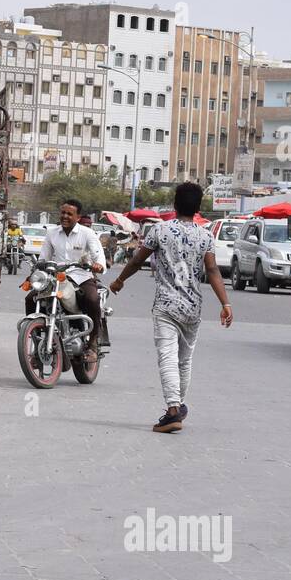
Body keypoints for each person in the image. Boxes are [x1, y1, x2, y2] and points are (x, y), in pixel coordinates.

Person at [107, 182, 233, 434]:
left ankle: (173, 410)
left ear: (175, 205)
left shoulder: (159, 231)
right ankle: (178, 406)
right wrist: (225, 303)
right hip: (192, 308)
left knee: (167, 357)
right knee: (184, 361)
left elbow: (137, 260)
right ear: (197, 208)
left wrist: (120, 280)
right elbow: (212, 271)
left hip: (165, 305)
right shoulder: (206, 235)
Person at [26, 199, 107, 363]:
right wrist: (37, 270)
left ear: (78, 217)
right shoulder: (52, 233)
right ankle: (36, 343)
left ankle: (92, 343)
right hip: (57, 276)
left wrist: (98, 265)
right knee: (30, 298)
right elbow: (44, 258)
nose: (65, 216)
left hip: (81, 276)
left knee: (92, 299)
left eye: (69, 214)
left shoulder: (87, 233)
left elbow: (99, 256)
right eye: (63, 212)